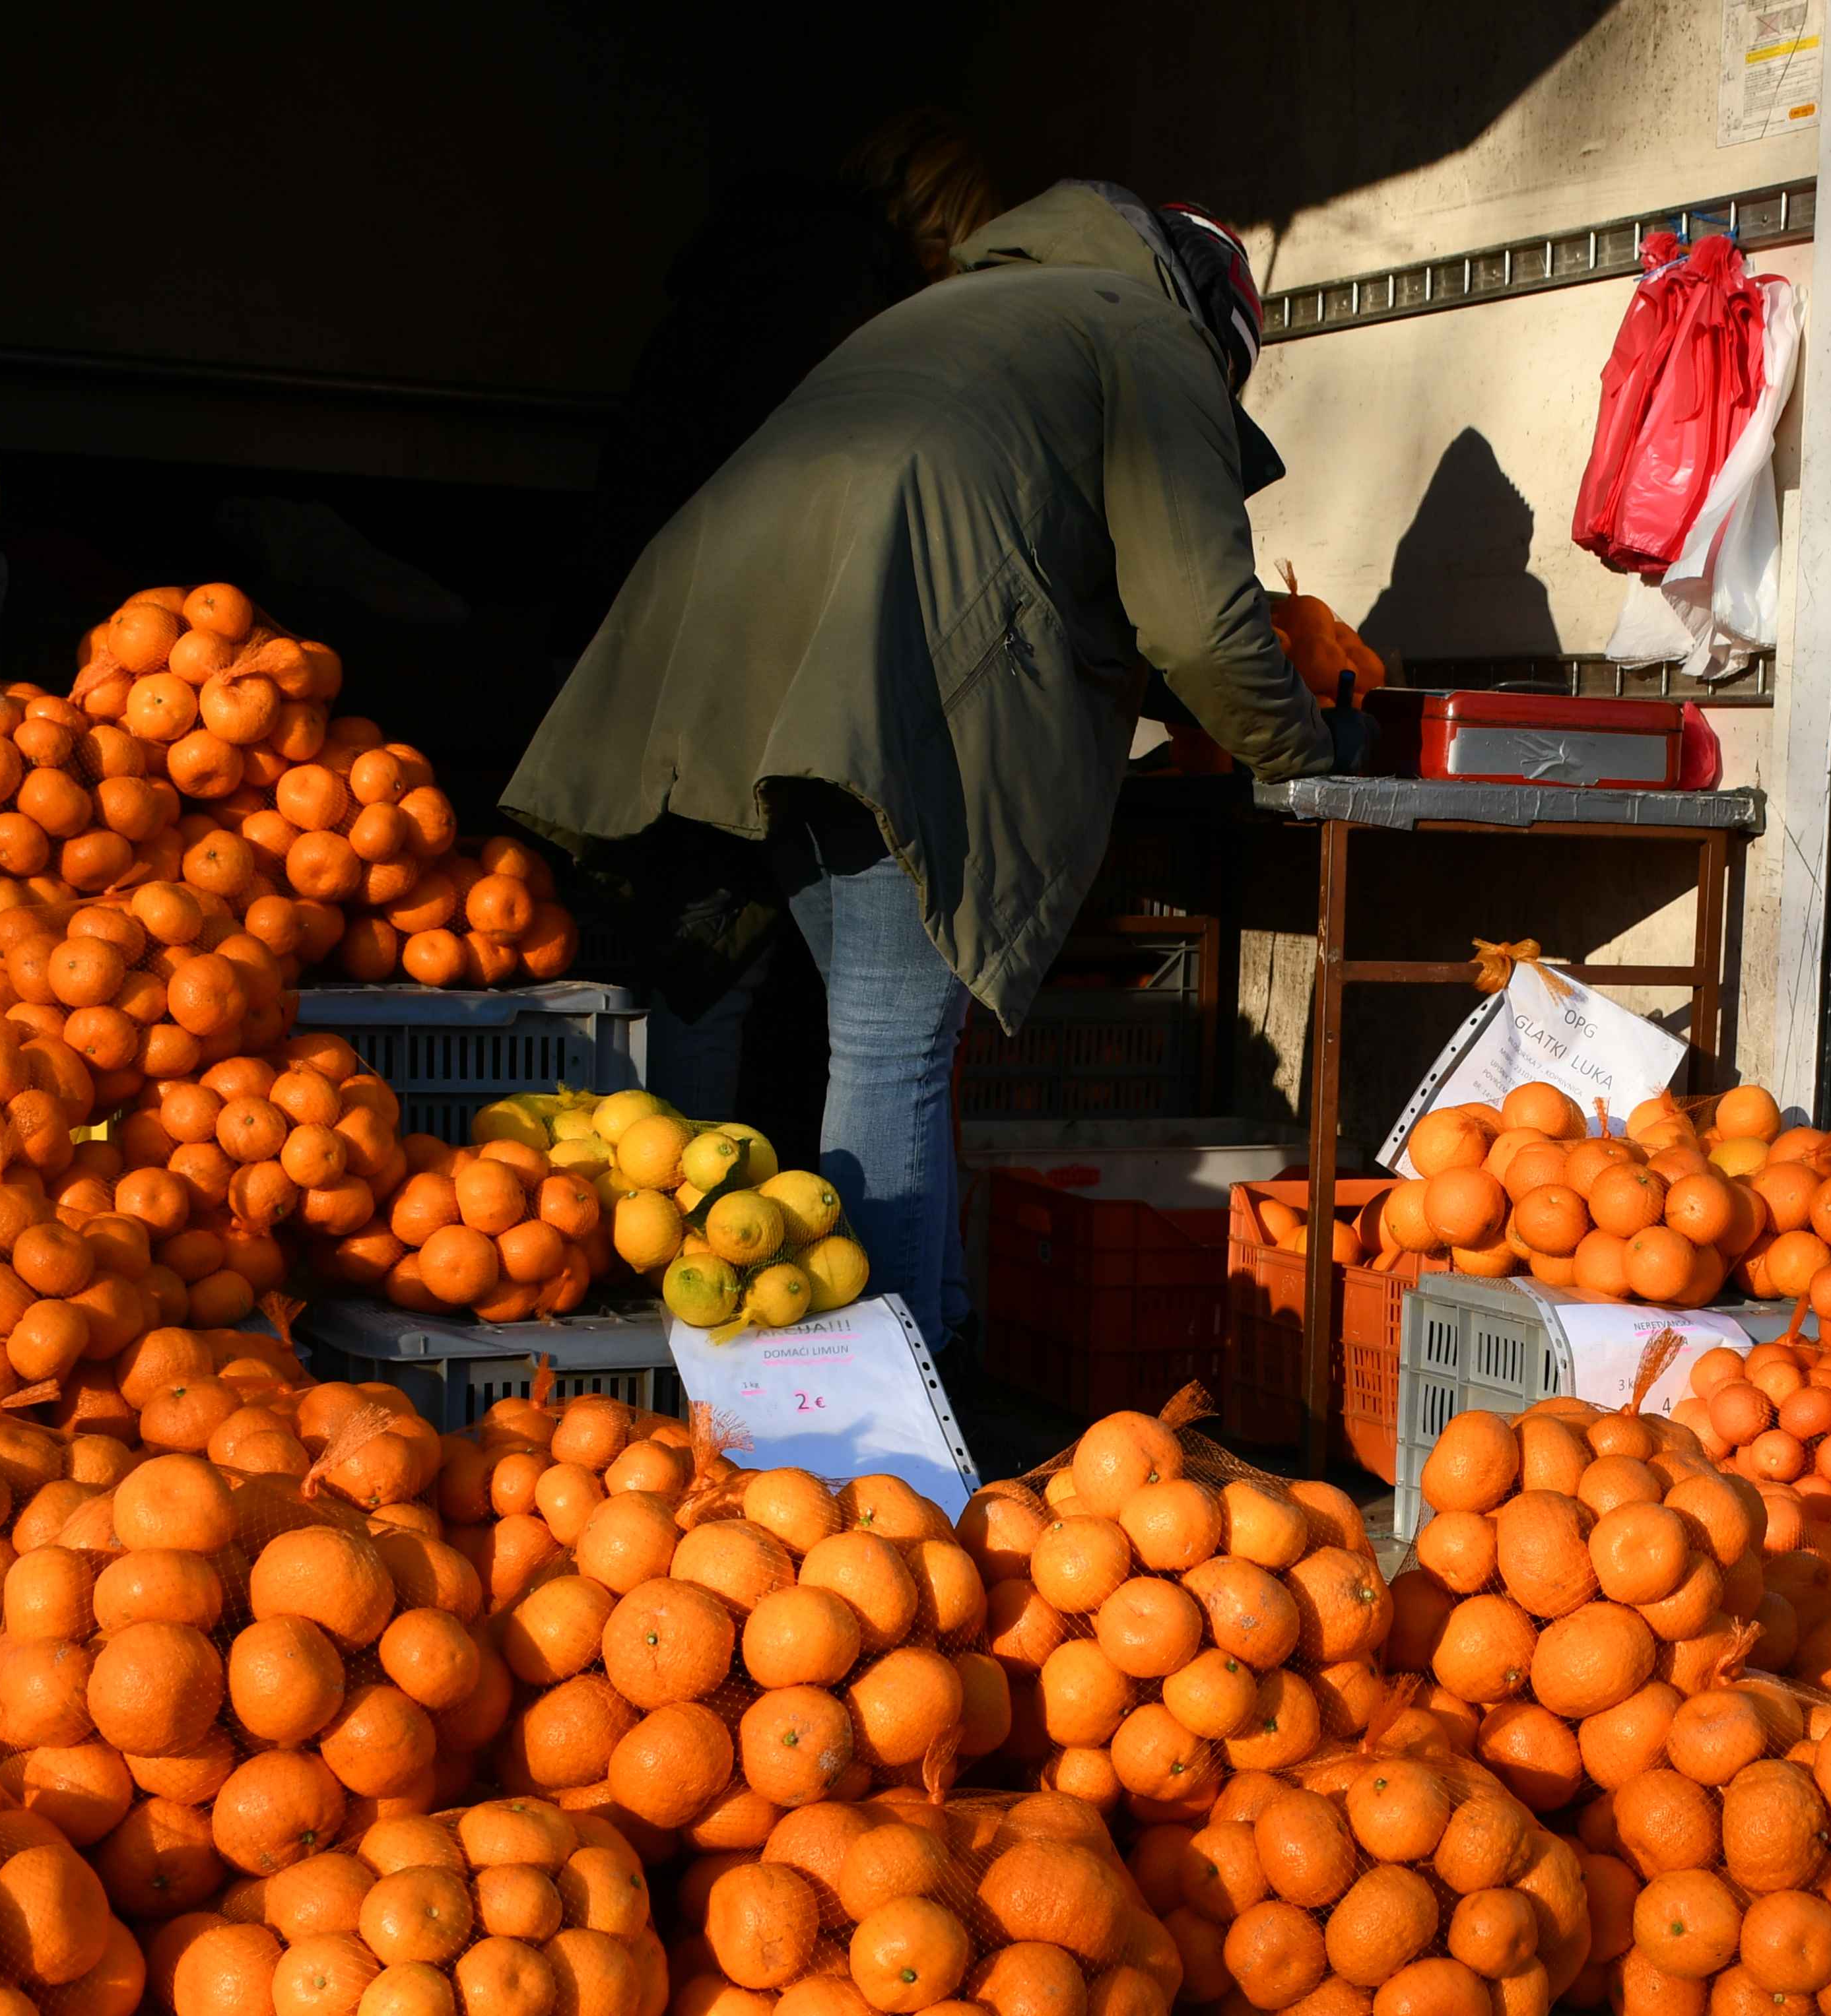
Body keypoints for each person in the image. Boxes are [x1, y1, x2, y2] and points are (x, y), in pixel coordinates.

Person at [506, 181, 1347, 1348]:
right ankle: (891, 1409)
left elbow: (1033, 539)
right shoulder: (1150, 334)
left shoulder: (953, 313)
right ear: (1219, 321)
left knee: (772, 1002)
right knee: (894, 1038)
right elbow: (1195, 617)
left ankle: (804, 1341)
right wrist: (1303, 750)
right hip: (886, 677)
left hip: (735, 656)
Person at [550, 112, 1001, 1152]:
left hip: (666, 640)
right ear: (934, 222)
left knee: (694, 957)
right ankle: (691, 1227)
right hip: (743, 668)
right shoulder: (843, 298)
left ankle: (671, 1222)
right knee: (726, 968)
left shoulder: (748, 279)